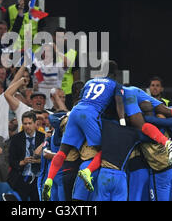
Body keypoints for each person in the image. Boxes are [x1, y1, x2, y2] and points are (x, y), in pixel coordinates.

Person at [42, 60, 125, 201]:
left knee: (63, 151)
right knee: (104, 149)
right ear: (114, 74)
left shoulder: (89, 82)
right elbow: (119, 102)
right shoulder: (114, 84)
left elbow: (79, 100)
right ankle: (87, 171)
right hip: (90, 114)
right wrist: (122, 122)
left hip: (75, 112)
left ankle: (49, 180)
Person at [7, 111, 45, 201]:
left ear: (35, 123)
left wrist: (39, 161)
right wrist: (23, 162)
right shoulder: (16, 139)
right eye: (25, 123)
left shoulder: (43, 137)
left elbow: (48, 158)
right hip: (21, 177)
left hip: (38, 177)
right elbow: (11, 160)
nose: (27, 126)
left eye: (30, 123)